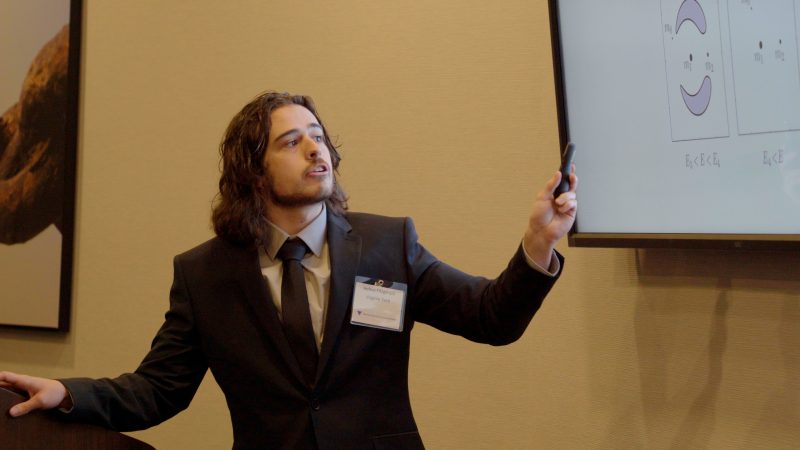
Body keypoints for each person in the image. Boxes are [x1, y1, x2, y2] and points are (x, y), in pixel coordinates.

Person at [0, 91, 578, 450]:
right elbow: (157, 391)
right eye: (292, 142)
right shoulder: (205, 275)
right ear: (254, 172)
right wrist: (67, 393)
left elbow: (490, 317)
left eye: (319, 137)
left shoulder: (388, 244)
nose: (315, 150)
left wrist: (537, 245)